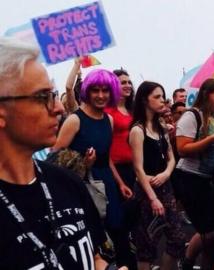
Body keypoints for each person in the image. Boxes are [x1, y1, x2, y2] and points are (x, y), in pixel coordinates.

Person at [0, 37, 124, 269]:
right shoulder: (76, 123)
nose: (58, 108)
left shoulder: (66, 183)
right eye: (42, 97)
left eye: (54, 95)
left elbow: (95, 257)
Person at [54, 69, 135, 269]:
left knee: (118, 234)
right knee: (95, 241)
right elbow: (53, 161)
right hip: (82, 187)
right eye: (95, 90)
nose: (100, 95)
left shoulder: (109, 120)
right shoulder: (75, 120)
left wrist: (120, 183)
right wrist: (83, 165)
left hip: (107, 183)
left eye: (105, 90)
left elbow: (107, 159)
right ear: (87, 92)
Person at [129, 81, 186, 270]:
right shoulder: (137, 130)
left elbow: (171, 157)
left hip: (165, 187)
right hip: (146, 192)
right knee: (146, 244)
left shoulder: (161, 127)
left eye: (163, 96)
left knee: (177, 239)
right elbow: (138, 168)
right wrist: (153, 198)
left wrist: (166, 174)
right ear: (145, 100)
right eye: (157, 97)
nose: (162, 101)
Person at [175, 78, 214, 270]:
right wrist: (211, 139)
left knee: (211, 230)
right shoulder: (192, 116)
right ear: (206, 94)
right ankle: (188, 261)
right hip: (190, 176)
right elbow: (182, 148)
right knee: (208, 231)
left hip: (207, 178)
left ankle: (192, 262)